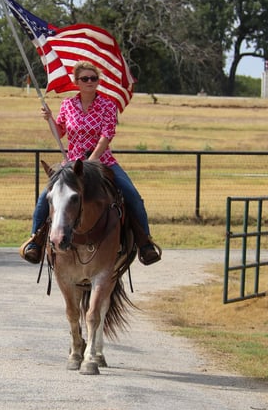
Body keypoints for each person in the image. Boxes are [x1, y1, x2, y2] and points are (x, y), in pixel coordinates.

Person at [20, 61, 162, 266]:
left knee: (132, 196)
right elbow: (60, 132)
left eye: (93, 78)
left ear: (98, 81)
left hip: (103, 161)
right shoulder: (67, 105)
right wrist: (49, 119)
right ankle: (36, 241)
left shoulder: (108, 105)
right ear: (76, 82)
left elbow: (107, 134)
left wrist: (93, 159)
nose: (89, 82)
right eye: (85, 79)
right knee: (46, 196)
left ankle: (145, 244)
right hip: (72, 163)